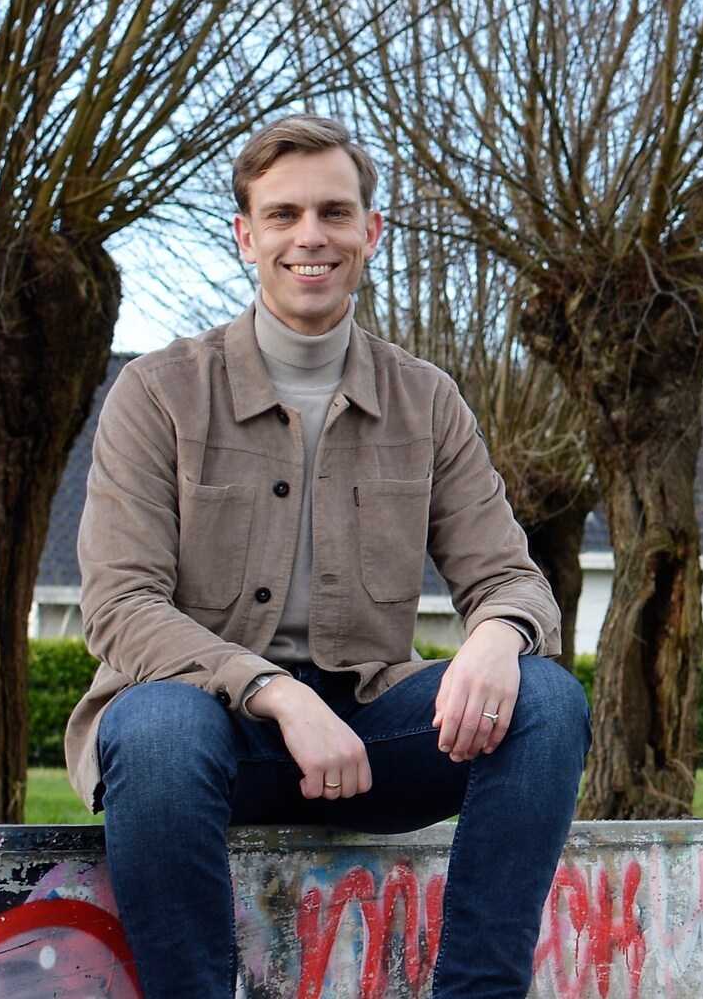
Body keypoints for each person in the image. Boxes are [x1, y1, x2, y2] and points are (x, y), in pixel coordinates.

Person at [64, 114, 590, 998]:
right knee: (152, 729)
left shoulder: (427, 400)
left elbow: (508, 576)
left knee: (546, 701)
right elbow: (120, 606)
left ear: (370, 232)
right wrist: (271, 692)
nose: (311, 236)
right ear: (246, 235)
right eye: (283, 215)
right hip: (204, 735)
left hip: (370, 732)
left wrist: (500, 634)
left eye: (335, 213)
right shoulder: (157, 392)